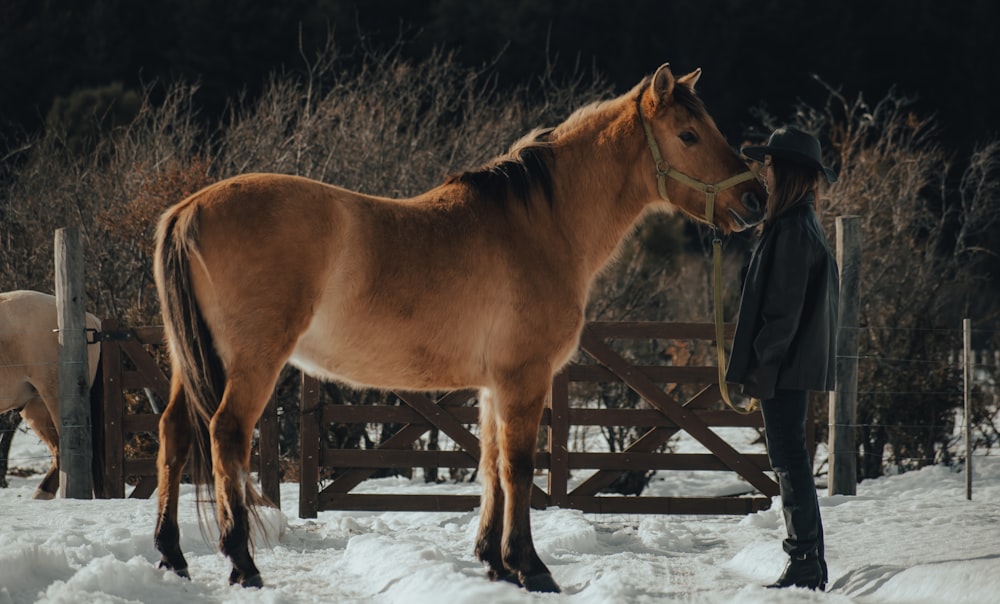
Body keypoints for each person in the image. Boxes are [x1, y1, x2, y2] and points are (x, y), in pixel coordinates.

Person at [726, 126, 839, 591]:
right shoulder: (792, 224)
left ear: (786, 170)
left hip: (785, 366)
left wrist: (761, 370)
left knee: (788, 460)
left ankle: (806, 562)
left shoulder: (793, 229)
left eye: (769, 164)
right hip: (788, 364)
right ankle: (808, 558)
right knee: (789, 459)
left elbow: (782, 314)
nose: (763, 172)